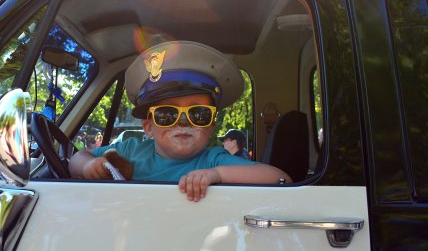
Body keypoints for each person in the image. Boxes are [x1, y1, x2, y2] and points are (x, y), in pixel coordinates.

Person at [68, 40, 290, 201]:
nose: (183, 122)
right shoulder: (131, 151)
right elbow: (77, 157)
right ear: (149, 127)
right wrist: (87, 166)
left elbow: (280, 179)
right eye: (167, 114)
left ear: (211, 126)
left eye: (198, 114)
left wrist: (217, 175)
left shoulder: (212, 161)